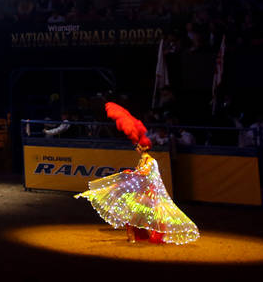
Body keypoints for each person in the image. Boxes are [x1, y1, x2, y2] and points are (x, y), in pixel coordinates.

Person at [75, 102, 199, 244]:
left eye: (138, 146)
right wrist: (133, 173)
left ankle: (139, 237)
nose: (136, 148)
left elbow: (144, 174)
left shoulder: (150, 161)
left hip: (149, 194)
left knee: (138, 214)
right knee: (132, 213)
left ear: (143, 147)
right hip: (143, 193)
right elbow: (141, 173)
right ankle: (134, 237)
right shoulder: (144, 160)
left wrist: (132, 173)